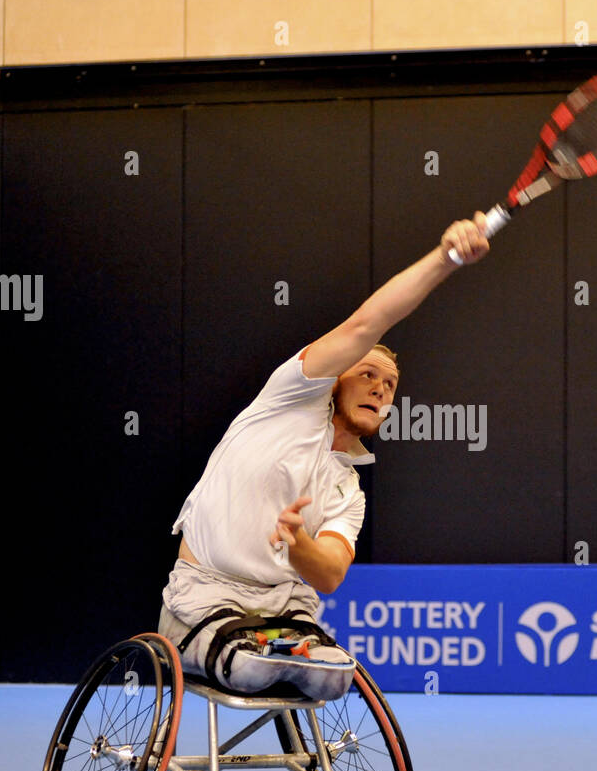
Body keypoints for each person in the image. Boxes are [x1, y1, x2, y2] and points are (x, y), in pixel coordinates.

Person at [157, 214, 491, 697]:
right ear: (334, 378)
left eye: (390, 386)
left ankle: (278, 655)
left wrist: (298, 543)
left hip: (284, 609)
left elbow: (330, 573)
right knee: (247, 668)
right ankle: (253, 655)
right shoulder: (289, 398)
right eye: (368, 374)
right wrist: (446, 259)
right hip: (205, 595)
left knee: (335, 677)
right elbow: (367, 322)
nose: (380, 388)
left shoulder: (348, 490)